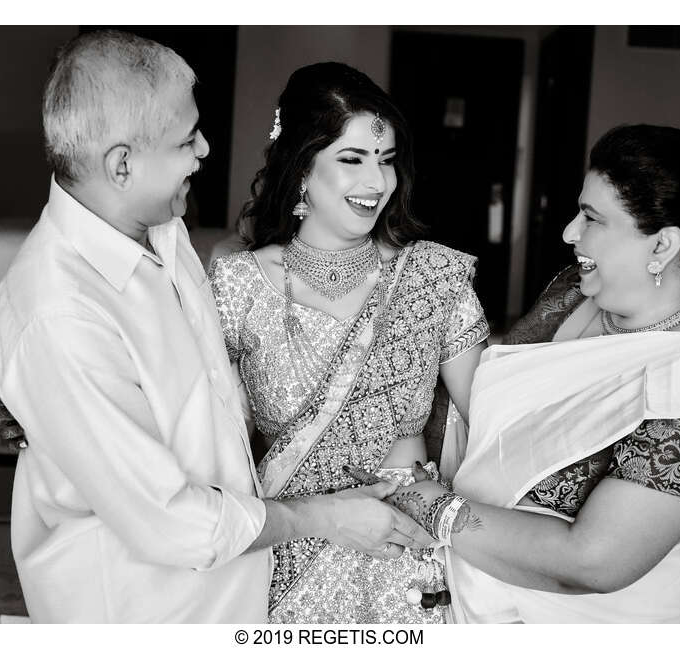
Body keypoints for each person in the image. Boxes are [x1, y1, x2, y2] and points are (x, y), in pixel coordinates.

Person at [0, 31, 430, 624]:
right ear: (122, 164)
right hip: (142, 611)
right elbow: (173, 523)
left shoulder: (162, 232)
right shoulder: (60, 316)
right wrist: (327, 516)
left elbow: (200, 385)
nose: (204, 149)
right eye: (185, 139)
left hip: (234, 592)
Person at [375, 124, 680, 623]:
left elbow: (593, 562)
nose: (570, 233)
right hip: (475, 598)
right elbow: (488, 406)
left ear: (662, 246)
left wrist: (435, 508)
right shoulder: (578, 293)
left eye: (591, 218)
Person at [206, 62, 489, 623]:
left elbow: (496, 420)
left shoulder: (432, 280)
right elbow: (193, 420)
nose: (377, 183)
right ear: (301, 169)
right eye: (352, 159)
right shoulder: (236, 285)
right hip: (283, 552)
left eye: (385, 161)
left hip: (402, 557)